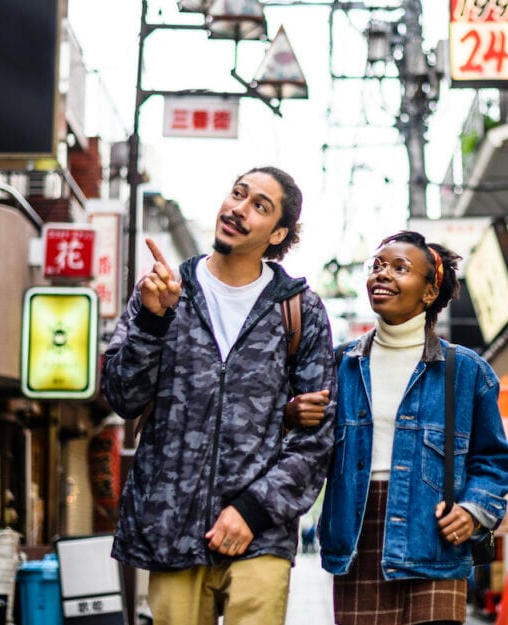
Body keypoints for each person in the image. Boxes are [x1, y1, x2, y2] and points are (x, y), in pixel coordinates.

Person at [102, 166, 337, 625]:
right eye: (237, 194)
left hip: (261, 534)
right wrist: (152, 323)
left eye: (259, 206)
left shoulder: (299, 309)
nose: (238, 209)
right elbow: (122, 397)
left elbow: (318, 435)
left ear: (278, 233)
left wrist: (253, 510)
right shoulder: (166, 292)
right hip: (172, 529)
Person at [287, 230, 508, 625]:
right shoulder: (338, 366)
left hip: (435, 541)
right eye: (376, 266)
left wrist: (474, 511)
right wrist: (290, 415)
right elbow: (307, 448)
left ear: (430, 293)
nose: (382, 275)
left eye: (399, 268)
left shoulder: (465, 371)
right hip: (358, 539)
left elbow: (494, 460)